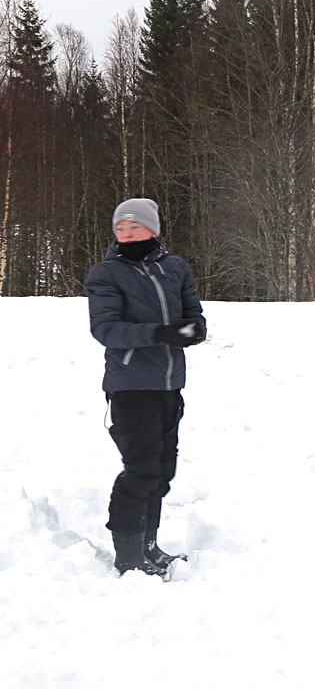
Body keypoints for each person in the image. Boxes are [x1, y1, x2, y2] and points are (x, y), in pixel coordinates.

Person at [84, 198, 206, 576]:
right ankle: (129, 556)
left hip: (168, 385)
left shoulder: (175, 268)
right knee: (141, 470)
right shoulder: (107, 274)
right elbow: (106, 329)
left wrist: (193, 330)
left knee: (162, 471)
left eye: (134, 227)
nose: (126, 233)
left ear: (152, 229)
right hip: (130, 386)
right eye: (120, 228)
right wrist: (161, 333)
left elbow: (194, 317)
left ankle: (149, 546)